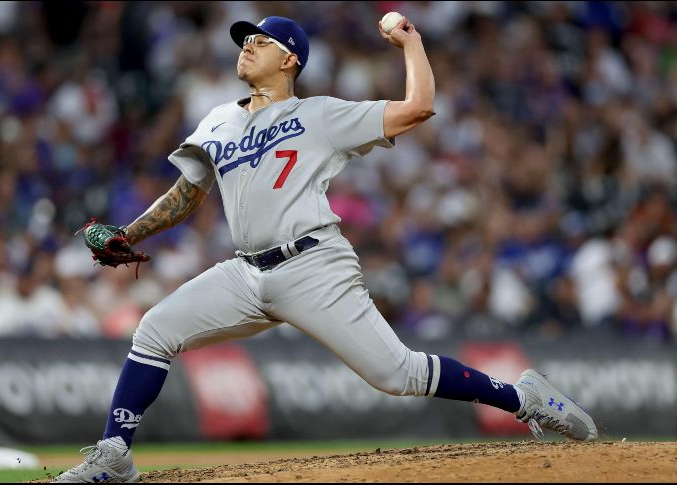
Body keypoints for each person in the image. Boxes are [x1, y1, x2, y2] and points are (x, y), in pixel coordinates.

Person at [54, 15, 597, 483]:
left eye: (261, 41)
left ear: (291, 59)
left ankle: (525, 399)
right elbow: (188, 192)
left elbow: (420, 107)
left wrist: (411, 43)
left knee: (397, 375)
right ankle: (115, 456)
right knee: (154, 329)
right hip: (244, 273)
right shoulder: (218, 119)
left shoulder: (320, 115)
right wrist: (131, 233)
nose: (247, 45)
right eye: (245, 39)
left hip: (313, 265)